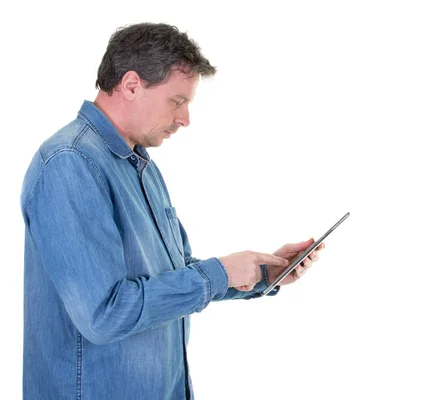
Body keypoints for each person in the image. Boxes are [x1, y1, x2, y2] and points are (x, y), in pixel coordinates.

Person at [20, 22, 324, 400]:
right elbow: (105, 314)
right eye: (177, 102)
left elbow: (172, 276)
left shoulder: (138, 164)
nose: (185, 119)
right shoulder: (71, 163)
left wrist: (262, 273)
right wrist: (219, 273)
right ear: (131, 85)